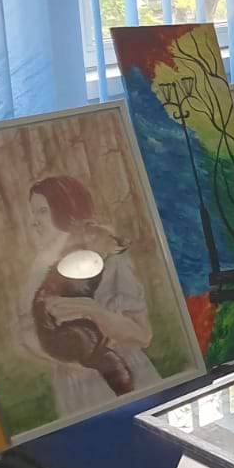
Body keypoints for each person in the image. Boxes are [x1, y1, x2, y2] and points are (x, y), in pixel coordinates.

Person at [17, 175, 162, 416]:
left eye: (42, 211)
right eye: (34, 213)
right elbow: (26, 334)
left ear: (64, 210)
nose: (35, 222)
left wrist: (92, 310)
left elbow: (143, 335)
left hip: (124, 373)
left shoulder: (110, 258)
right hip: (74, 384)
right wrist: (72, 359)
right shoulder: (39, 269)